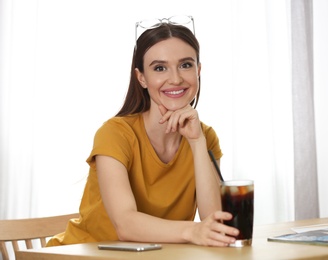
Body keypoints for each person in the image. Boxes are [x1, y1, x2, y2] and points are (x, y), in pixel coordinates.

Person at [47, 15, 239, 247]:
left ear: (198, 70)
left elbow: (215, 224)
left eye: (185, 65)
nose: (176, 79)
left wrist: (197, 143)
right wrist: (193, 230)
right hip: (84, 253)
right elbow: (125, 225)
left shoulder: (205, 136)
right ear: (142, 78)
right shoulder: (115, 134)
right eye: (160, 68)